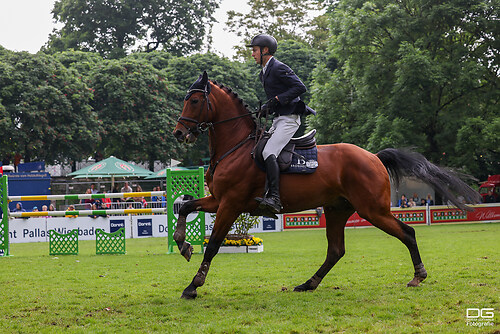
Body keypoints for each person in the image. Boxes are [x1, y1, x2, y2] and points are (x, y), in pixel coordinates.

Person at [247, 33, 314, 215]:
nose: (252, 54)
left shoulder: (277, 67)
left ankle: (275, 198)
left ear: (265, 50)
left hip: (290, 119)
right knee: (259, 149)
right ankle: (266, 192)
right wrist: (267, 109)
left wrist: (276, 100)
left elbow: (300, 87)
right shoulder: (264, 73)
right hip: (279, 119)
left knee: (269, 151)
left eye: (254, 50)